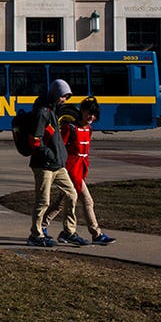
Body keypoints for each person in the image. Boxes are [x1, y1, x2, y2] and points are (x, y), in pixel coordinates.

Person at [43, 97, 116, 245]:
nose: (91, 117)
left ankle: (44, 225)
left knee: (62, 202)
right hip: (70, 170)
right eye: (89, 113)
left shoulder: (88, 129)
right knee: (87, 201)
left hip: (80, 170)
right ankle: (96, 234)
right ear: (82, 112)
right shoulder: (70, 128)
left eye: (94, 115)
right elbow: (59, 147)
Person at [27, 79, 90, 247]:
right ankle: (36, 234)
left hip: (58, 165)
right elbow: (35, 140)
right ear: (55, 94)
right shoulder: (43, 112)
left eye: (67, 97)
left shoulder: (53, 111)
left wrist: (58, 157)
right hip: (44, 165)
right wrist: (50, 154)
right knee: (43, 201)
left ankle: (69, 232)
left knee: (72, 195)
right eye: (63, 96)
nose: (65, 100)